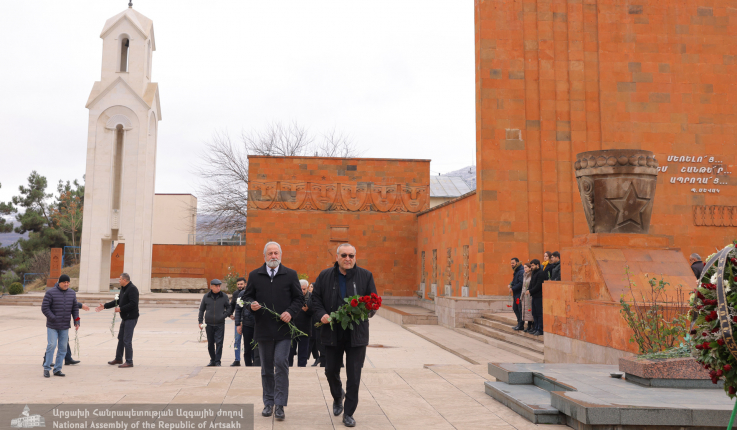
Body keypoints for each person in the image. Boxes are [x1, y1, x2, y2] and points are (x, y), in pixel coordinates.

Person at [311, 243, 378, 428]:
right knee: (330, 370)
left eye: (351, 255)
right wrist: (321, 314)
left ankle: (349, 412)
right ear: (337, 257)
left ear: (355, 257)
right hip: (332, 332)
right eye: (344, 255)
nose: (347, 259)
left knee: (354, 375)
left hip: (356, 334)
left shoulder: (365, 276)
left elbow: (373, 301)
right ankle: (337, 395)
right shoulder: (325, 276)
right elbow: (314, 299)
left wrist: (365, 312)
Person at [242, 241, 304, 422]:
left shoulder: (290, 275)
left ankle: (280, 404)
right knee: (267, 367)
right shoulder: (255, 275)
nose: (273, 256)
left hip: (284, 330)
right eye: (270, 253)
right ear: (264, 256)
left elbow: (299, 298)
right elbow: (247, 297)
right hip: (263, 329)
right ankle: (268, 402)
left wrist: (290, 313)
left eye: (276, 253)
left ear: (281, 255)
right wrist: (250, 305)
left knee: (281, 364)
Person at [41, 278, 89, 367]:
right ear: (59, 283)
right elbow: (45, 308)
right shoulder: (51, 292)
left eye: (67, 282)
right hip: (53, 324)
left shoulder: (71, 293)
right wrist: (53, 318)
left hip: (64, 325)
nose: (66, 284)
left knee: (63, 345)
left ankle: (65, 361)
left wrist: (77, 320)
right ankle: (47, 363)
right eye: (64, 282)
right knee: (52, 344)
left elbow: (74, 308)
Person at [96, 273, 139, 368]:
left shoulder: (132, 289)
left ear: (125, 280)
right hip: (125, 318)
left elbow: (133, 304)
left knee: (127, 340)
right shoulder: (123, 289)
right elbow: (117, 301)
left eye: (120, 279)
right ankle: (119, 358)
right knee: (121, 338)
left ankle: (129, 361)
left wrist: (121, 309)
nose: (119, 281)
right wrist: (105, 306)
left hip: (131, 318)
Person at [198, 279, 230, 367]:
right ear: (211, 287)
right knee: (210, 343)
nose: (218, 287)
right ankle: (212, 360)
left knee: (219, 343)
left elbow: (229, 308)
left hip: (220, 324)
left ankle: (218, 361)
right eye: (216, 286)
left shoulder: (224, 296)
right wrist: (200, 322)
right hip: (209, 324)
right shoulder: (206, 297)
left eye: (219, 286)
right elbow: (201, 309)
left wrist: (224, 315)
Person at [289, 280, 312, 367]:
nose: (302, 291)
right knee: (290, 351)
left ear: (307, 288)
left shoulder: (311, 297)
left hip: (305, 329)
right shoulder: (293, 296)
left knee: (303, 352)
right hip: (292, 328)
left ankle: (302, 368)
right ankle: (288, 368)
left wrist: (308, 310)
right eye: (300, 289)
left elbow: (316, 311)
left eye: (304, 289)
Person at [235, 285, 259, 367]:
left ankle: (256, 365)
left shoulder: (261, 292)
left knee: (257, 348)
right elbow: (238, 309)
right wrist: (238, 324)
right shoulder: (243, 293)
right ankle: (248, 366)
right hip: (247, 324)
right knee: (247, 348)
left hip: (259, 325)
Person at [228, 277, 247, 366]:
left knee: (248, 341)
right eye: (238, 284)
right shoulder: (235, 294)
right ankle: (237, 360)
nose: (240, 286)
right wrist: (230, 314)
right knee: (237, 340)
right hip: (238, 321)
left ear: (245, 284)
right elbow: (232, 305)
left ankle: (251, 359)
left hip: (247, 321)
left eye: (241, 284)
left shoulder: (249, 293)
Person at [526, 260, 545, 336]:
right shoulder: (534, 272)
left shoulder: (541, 273)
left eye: (533, 265)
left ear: (537, 265)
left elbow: (538, 285)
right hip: (534, 296)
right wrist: (528, 289)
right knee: (534, 313)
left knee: (539, 313)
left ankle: (540, 329)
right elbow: (531, 283)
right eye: (531, 266)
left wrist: (530, 291)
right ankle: (536, 328)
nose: (532, 267)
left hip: (539, 296)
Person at [508, 258, 525, 330]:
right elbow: (515, 281)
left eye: (513, 263)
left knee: (518, 308)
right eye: (511, 263)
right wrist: (511, 284)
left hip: (519, 294)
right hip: (516, 294)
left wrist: (513, 288)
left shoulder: (520, 271)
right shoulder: (516, 270)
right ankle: (519, 323)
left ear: (517, 263)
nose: (512, 264)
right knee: (515, 308)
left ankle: (521, 324)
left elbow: (521, 283)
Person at [308, 283, 322, 367]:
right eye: (309, 286)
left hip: (317, 321)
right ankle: (317, 357)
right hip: (311, 322)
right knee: (313, 341)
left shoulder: (316, 296)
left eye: (312, 287)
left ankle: (318, 358)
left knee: (315, 341)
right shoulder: (310, 296)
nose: (310, 288)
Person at [520, 263, 534, 332]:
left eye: (526, 267)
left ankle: (532, 326)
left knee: (530, 311)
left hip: (529, 295)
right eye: (524, 268)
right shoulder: (524, 275)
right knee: (526, 312)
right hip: (525, 295)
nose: (524, 269)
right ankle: (528, 326)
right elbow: (523, 286)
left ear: (529, 268)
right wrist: (521, 296)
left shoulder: (531, 275)